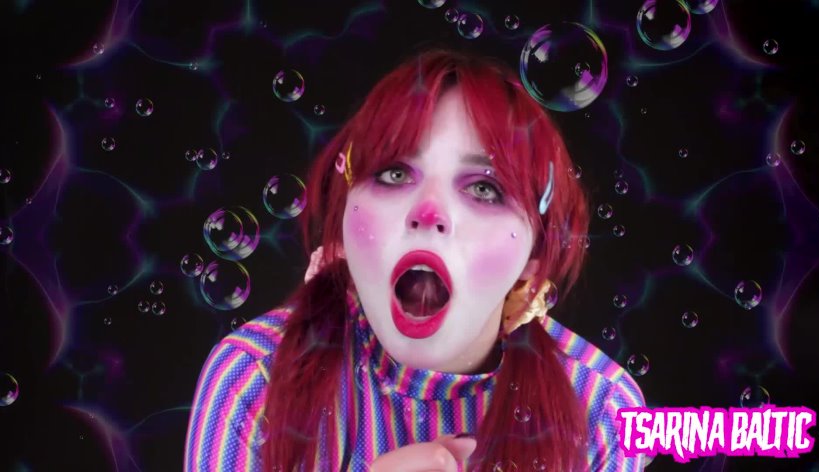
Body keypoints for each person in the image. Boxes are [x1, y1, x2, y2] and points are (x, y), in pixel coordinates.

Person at [184, 48, 647, 471]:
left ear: (535, 255)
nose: (429, 213)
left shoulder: (602, 413)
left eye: (484, 188)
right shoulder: (255, 377)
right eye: (394, 173)